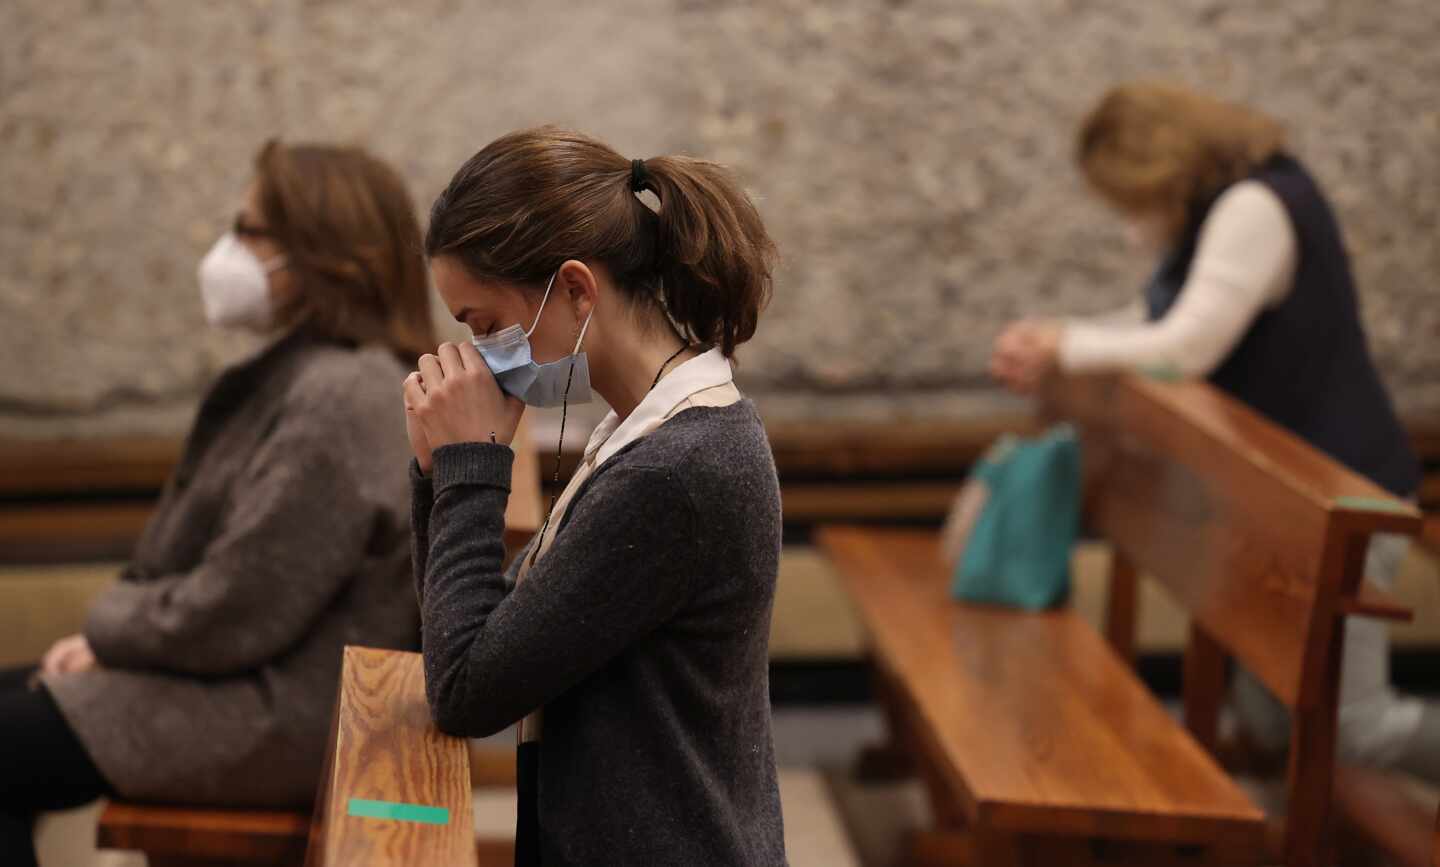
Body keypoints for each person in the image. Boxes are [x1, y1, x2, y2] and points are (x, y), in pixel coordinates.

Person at [0, 140, 432, 867]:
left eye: (248, 230)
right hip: (252, 688)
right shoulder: (324, 374)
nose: (227, 250)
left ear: (316, 251)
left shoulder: (343, 396)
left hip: (285, 715)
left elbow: (241, 606)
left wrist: (108, 634)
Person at [990, 82, 1433, 780]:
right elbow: (1151, 318)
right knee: (1268, 719)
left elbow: (1184, 345)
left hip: (1346, 493)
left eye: (1130, 198)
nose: (1132, 219)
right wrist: (1053, 336)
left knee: (1355, 730)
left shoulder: (1257, 205)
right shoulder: (1222, 205)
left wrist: (1065, 346)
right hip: (1287, 499)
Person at [404, 127, 786, 866]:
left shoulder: (677, 470)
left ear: (576, 289)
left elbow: (466, 691)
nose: (480, 358)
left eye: (484, 326)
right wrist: (439, 469)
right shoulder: (640, 434)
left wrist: (469, 463)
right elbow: (478, 640)